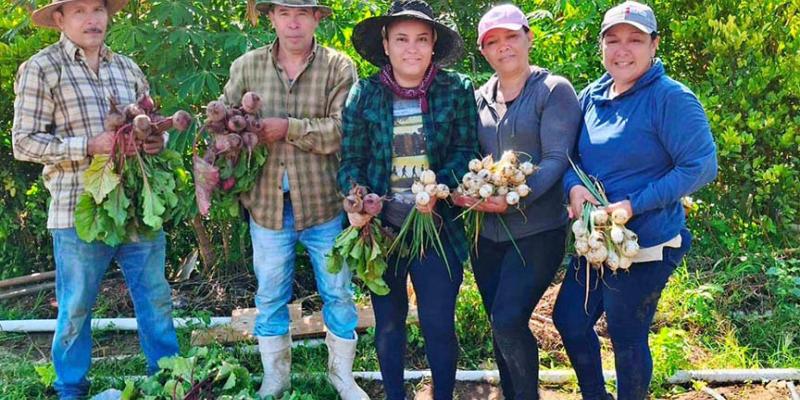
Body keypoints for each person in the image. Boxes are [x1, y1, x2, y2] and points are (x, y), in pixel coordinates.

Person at [12, 0, 178, 398]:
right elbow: (23, 142)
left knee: (156, 300)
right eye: (80, 10)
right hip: (77, 208)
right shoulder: (41, 68)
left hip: (138, 205)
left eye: (99, 9)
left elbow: (151, 124)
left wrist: (157, 139)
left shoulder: (127, 67)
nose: (92, 19)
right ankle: (71, 390)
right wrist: (88, 145)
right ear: (59, 19)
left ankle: (171, 382)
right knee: (75, 307)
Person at [552, 2, 718, 399]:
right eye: (613, 40)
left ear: (654, 45)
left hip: (644, 245)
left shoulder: (670, 99)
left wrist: (632, 204)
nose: (622, 49)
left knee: (626, 335)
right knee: (569, 319)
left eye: (635, 40)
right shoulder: (593, 95)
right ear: (601, 46)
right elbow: (569, 157)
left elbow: (701, 165)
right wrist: (573, 187)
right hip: (595, 243)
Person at [221, 0, 367, 398]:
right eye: (284, 13)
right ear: (271, 18)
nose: (293, 22)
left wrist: (287, 127)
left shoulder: (338, 67)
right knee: (269, 294)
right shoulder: (247, 66)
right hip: (267, 206)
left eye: (302, 13)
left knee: (337, 290)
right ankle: (276, 378)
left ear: (317, 18)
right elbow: (223, 122)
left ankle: (342, 375)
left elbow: (342, 129)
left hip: (323, 205)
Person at [338, 1, 478, 398]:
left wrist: (439, 189)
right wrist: (357, 196)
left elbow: (466, 152)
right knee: (388, 324)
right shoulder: (363, 94)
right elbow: (351, 160)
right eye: (401, 39)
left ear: (433, 44)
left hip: (439, 229)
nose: (411, 49)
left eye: (421, 39)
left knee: (438, 324)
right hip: (383, 233)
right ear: (385, 43)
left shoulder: (456, 90)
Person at [451, 4, 582, 399]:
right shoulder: (478, 99)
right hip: (486, 234)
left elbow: (558, 158)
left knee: (508, 319)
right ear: (483, 51)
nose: (503, 47)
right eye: (493, 41)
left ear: (528, 37)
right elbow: (465, 157)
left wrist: (513, 198)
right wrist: (461, 190)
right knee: (498, 322)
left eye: (511, 37)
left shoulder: (552, 90)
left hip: (537, 231)